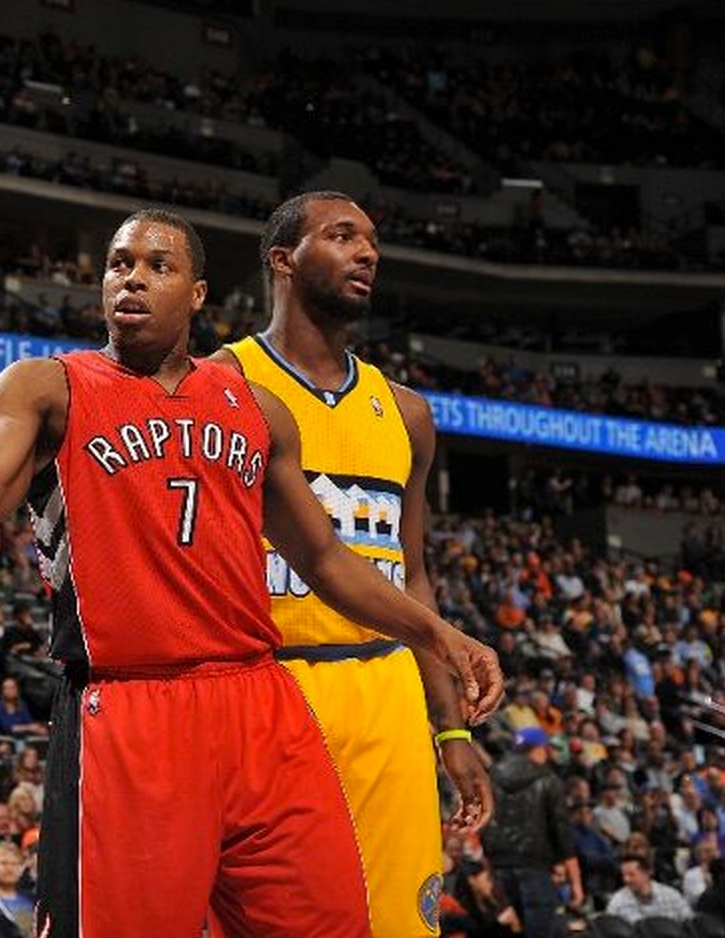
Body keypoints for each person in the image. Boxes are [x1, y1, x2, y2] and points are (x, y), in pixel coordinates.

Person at [0, 208, 502, 937]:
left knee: (334, 921)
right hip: (134, 699)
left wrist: (443, 642)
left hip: (264, 698)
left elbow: (328, 558)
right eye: (119, 263)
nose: (132, 278)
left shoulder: (258, 408)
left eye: (157, 265)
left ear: (197, 293)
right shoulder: (47, 386)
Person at [209, 190, 494, 936]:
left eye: (371, 241)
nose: (367, 252)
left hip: (386, 692)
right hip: (266, 686)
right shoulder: (217, 385)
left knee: (399, 922)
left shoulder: (406, 412)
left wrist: (452, 731)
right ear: (283, 259)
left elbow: (413, 574)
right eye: (342, 236)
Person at [480, 727, 583, 937]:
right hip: (534, 867)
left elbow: (486, 825)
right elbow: (562, 833)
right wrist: (575, 882)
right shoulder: (547, 779)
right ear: (539, 749)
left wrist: (489, 871)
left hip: (500, 867)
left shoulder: (492, 777)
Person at [605, 855, 692, 923]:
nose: (626, 879)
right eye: (623, 875)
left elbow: (689, 923)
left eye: (631, 874)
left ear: (647, 872)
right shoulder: (618, 901)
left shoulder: (672, 896)